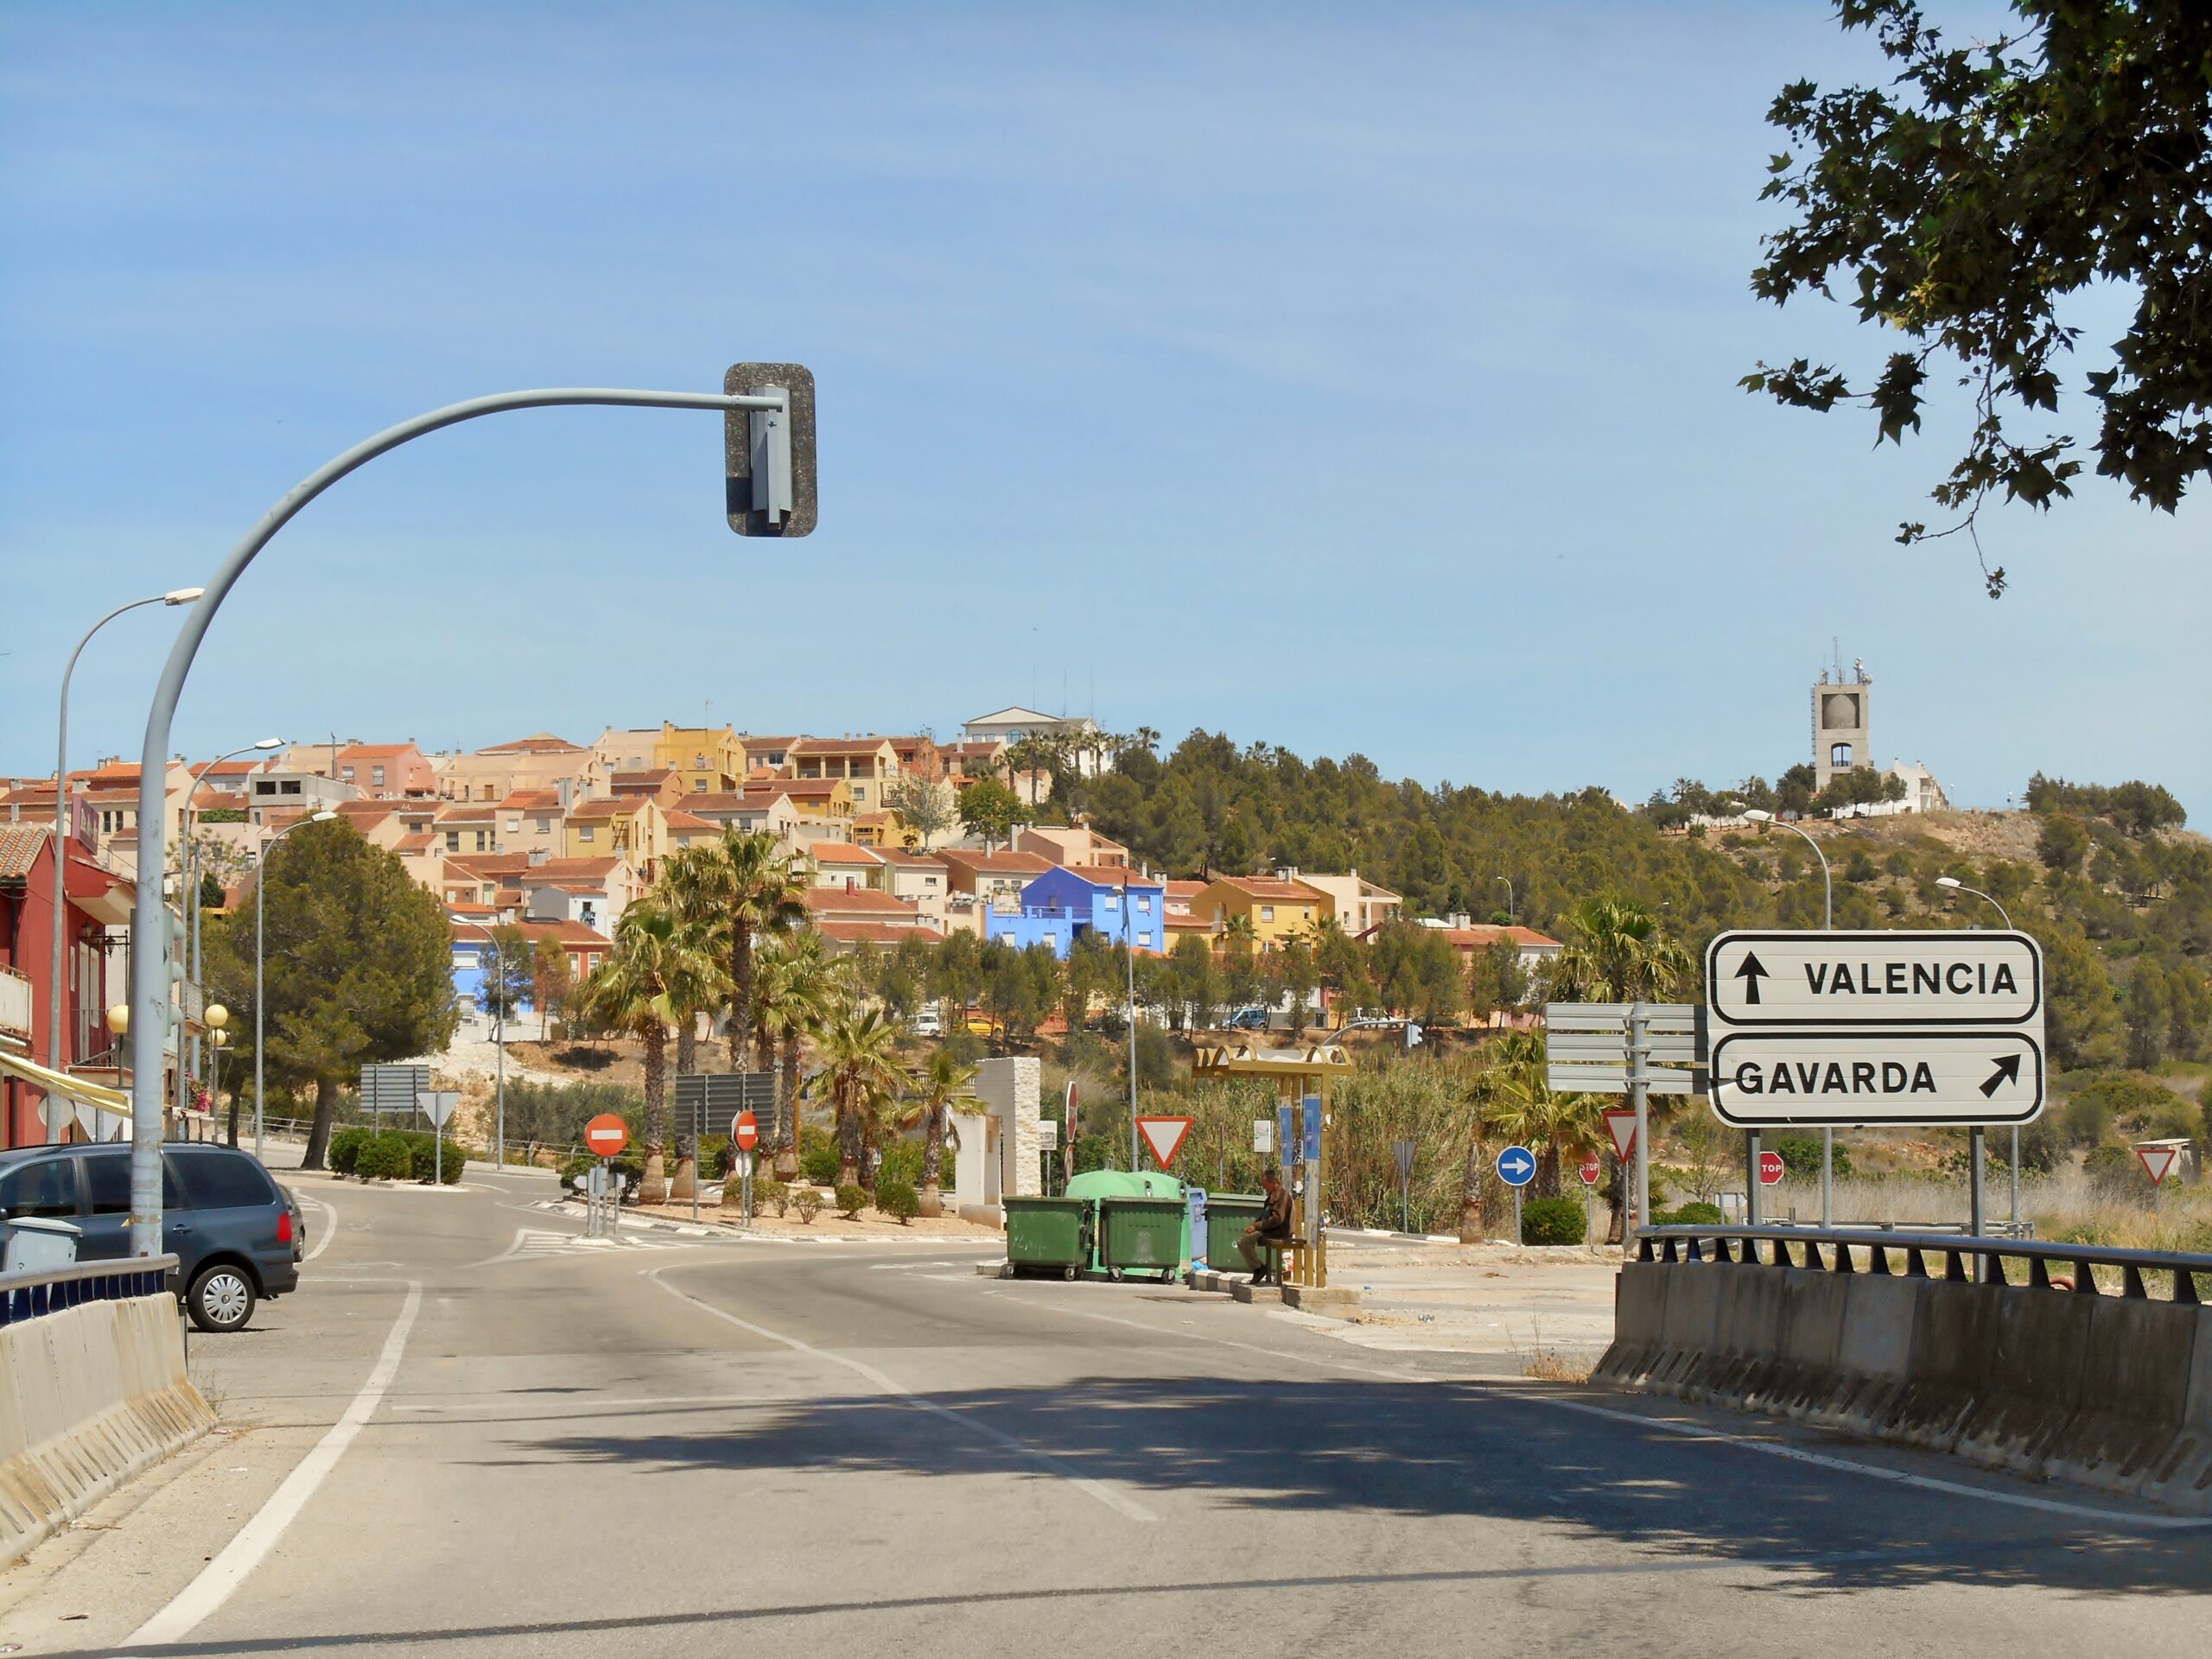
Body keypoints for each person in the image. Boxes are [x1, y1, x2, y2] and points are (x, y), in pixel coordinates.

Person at [1237, 1166, 1295, 1283]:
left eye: (1265, 1185)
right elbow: (1265, 1216)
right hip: (1268, 1231)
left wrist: (1257, 1226)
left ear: (1273, 1182)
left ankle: (1259, 1269)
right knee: (1243, 1241)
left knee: (1245, 1242)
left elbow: (1277, 1219)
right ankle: (1258, 1268)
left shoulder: (1282, 1196)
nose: (1264, 1188)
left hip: (1278, 1232)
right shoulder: (1271, 1197)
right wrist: (1254, 1225)